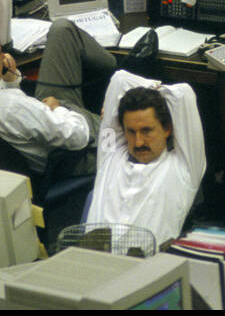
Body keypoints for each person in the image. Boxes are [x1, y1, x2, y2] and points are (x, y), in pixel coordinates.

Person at [0, 20, 114, 174]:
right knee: (129, 123)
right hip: (71, 154)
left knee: (62, 29)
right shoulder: (14, 107)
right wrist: (59, 108)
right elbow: (78, 136)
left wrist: (11, 81)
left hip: (43, 124)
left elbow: (0, 110)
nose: (5, 57)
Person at [87, 73, 206, 244]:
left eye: (147, 131)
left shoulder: (184, 169)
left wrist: (156, 91)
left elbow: (184, 95)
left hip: (147, 267)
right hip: (92, 261)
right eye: (131, 132)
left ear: (167, 129)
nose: (138, 142)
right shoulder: (109, 156)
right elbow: (119, 80)